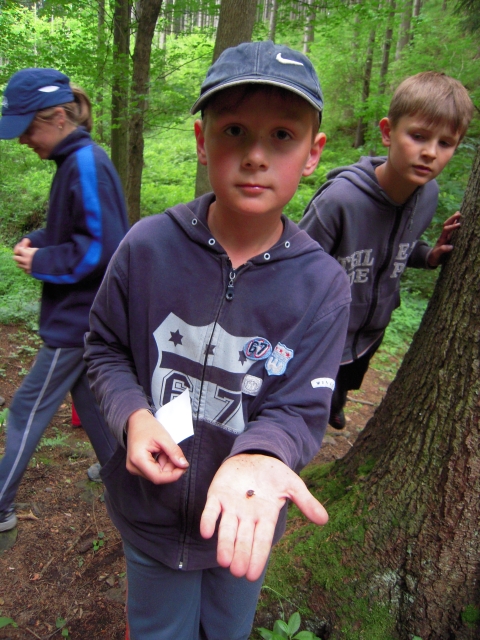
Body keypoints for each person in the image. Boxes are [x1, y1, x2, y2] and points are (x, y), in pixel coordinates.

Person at [84, 41, 351, 640]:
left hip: (245, 517)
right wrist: (132, 417)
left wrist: (263, 454)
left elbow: (300, 406)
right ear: (203, 142)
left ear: (313, 152)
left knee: (227, 631)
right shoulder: (147, 247)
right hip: (150, 515)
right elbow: (104, 348)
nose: (255, 155)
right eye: (234, 131)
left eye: (282, 136)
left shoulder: (322, 286)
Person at [300, 71, 474, 430]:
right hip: (327, 333)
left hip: (374, 327)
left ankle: (338, 403)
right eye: (418, 136)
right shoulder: (340, 201)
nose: (430, 152)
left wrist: (428, 255)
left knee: (351, 377)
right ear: (387, 132)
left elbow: (398, 246)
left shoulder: (428, 195)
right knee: (318, 392)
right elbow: (296, 268)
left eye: (445, 143)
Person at [0, 68, 130, 533]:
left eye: (27, 128)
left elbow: (101, 249)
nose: (22, 140)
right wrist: (38, 240)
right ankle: (126, 479)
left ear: (57, 117)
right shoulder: (73, 163)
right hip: (81, 319)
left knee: (26, 409)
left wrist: (42, 261)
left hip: (77, 323)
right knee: (93, 409)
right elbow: (75, 229)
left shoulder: (86, 163)